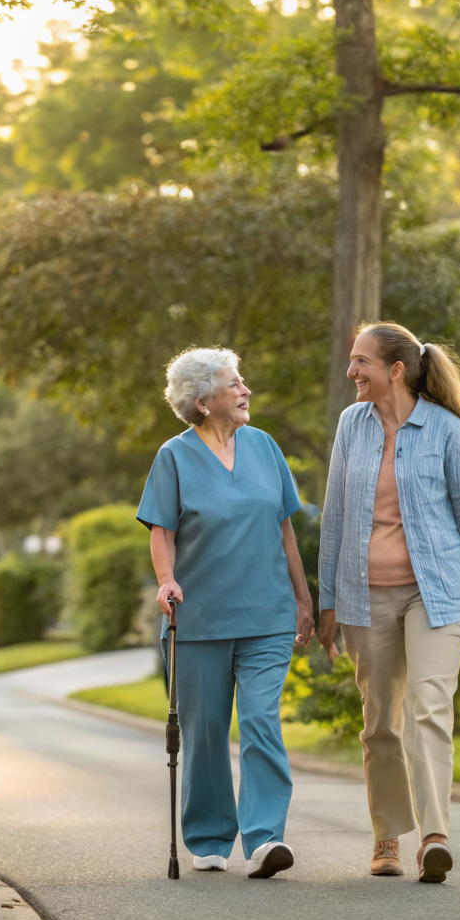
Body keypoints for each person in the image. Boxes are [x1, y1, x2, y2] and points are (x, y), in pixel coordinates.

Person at [317, 322, 460, 884]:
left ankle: (435, 836)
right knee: (380, 724)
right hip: (364, 594)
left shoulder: (446, 430)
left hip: (438, 592)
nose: (352, 371)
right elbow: (335, 517)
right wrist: (328, 601)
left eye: (361, 362)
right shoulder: (352, 425)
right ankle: (387, 839)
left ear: (395, 370)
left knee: (428, 707)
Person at [137, 347, 320, 880]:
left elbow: (286, 529)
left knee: (261, 720)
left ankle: (265, 839)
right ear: (202, 401)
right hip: (199, 621)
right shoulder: (173, 457)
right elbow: (161, 532)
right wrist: (166, 580)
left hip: (267, 615)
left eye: (244, 382)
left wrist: (303, 600)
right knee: (207, 731)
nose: (246, 391)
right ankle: (211, 835)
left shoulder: (264, 447)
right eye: (234, 384)